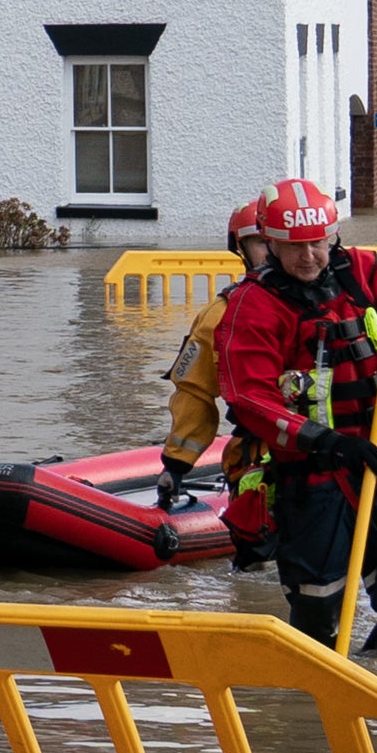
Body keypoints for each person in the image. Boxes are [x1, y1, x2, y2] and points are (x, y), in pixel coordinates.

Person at [215, 180, 377, 652]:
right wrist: (329, 443)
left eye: (317, 243)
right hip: (313, 477)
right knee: (316, 621)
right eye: (293, 247)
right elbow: (249, 399)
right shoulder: (251, 306)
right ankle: (309, 715)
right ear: (269, 243)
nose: (308, 256)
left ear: (332, 237)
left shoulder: (363, 273)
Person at [159, 196, 264, 531]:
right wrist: (175, 465)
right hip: (258, 459)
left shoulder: (338, 301)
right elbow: (194, 392)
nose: (272, 251)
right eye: (261, 242)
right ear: (241, 249)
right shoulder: (219, 316)